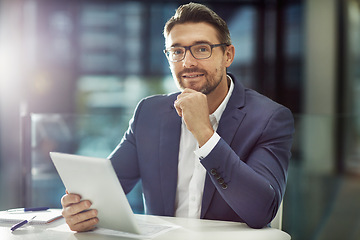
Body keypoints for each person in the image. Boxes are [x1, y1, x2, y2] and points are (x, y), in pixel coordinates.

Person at [61, 2, 294, 232]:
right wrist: (80, 210)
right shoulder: (149, 113)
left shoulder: (269, 119)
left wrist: (205, 134)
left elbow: (261, 211)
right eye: (177, 51)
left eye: (202, 49)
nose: (188, 62)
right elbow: (104, 191)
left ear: (228, 55)